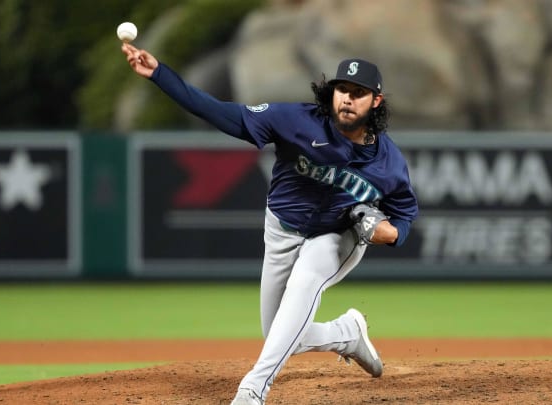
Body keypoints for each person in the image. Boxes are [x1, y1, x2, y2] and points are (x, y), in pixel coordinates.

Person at [121, 43, 419, 405]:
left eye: (359, 93)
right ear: (332, 93)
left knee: (306, 282)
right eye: (343, 90)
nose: (348, 99)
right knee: (278, 332)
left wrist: (391, 234)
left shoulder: (388, 162)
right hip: (281, 229)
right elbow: (220, 113)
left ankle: (252, 390)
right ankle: (347, 333)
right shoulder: (296, 121)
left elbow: (403, 215)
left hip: (336, 235)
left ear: (376, 101)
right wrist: (159, 74)